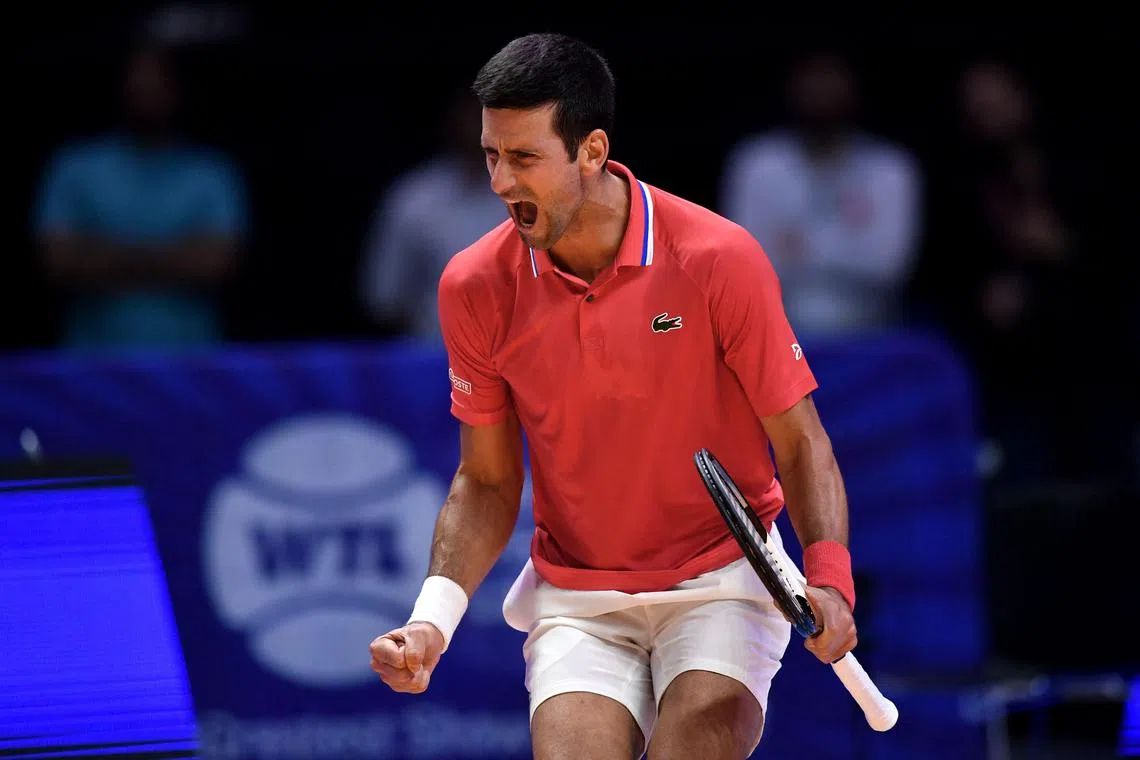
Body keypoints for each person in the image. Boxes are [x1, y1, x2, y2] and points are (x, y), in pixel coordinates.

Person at [370, 33, 858, 760]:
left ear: (592, 151)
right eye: (491, 155)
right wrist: (430, 622)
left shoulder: (717, 259)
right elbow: (489, 480)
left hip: (723, 578)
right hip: (579, 598)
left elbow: (799, 440)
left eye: (524, 157)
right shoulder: (473, 286)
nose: (500, 181)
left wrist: (831, 580)